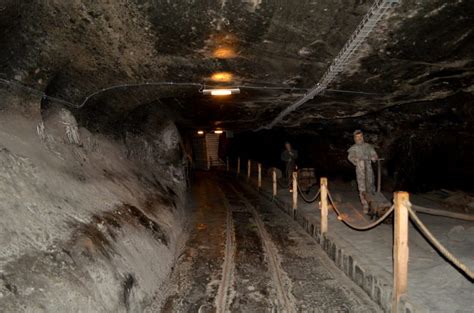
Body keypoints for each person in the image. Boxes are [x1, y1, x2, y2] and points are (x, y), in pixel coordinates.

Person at [347, 130, 378, 213]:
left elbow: (374, 154)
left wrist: (374, 157)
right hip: (360, 170)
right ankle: (365, 204)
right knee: (362, 187)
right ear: (354, 138)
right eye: (357, 137)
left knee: (371, 185)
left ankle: (373, 203)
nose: (359, 138)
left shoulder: (368, 146)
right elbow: (350, 156)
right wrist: (354, 159)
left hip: (369, 170)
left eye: (360, 137)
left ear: (362, 137)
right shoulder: (353, 148)